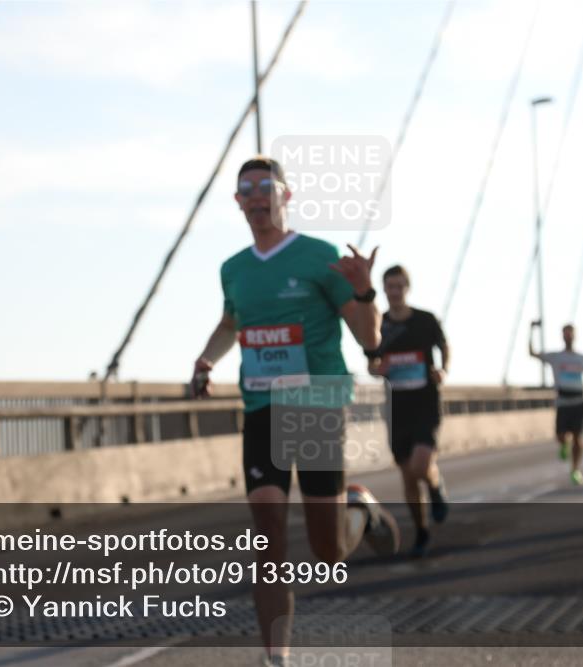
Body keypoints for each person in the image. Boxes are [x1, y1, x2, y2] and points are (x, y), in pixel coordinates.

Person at [190, 156, 399, 667]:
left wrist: (364, 290)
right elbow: (230, 323)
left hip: (315, 405)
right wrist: (206, 359)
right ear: (238, 203)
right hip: (262, 406)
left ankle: (358, 508)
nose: (256, 196)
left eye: (265, 186)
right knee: (268, 533)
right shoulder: (234, 268)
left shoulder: (319, 257)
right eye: (246, 189)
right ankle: (276, 657)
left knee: (327, 552)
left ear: (286, 195)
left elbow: (368, 336)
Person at [364, 265, 450, 559]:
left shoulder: (425, 320)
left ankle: (436, 488)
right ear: (384, 289)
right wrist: (378, 369)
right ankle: (421, 532)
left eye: (400, 286)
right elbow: (371, 365)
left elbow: (444, 346)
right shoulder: (379, 325)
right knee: (408, 477)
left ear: (407, 288)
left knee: (420, 465)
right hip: (396, 408)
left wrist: (444, 369)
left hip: (425, 403)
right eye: (390, 286)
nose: (395, 291)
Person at [529, 321, 583, 485]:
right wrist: (531, 330)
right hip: (563, 402)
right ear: (562, 336)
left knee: (578, 436)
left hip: (580, 401)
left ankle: (575, 470)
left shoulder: (581, 358)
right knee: (560, 435)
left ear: (575, 336)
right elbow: (532, 353)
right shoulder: (556, 357)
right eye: (566, 333)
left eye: (571, 333)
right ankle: (564, 444)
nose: (568, 336)